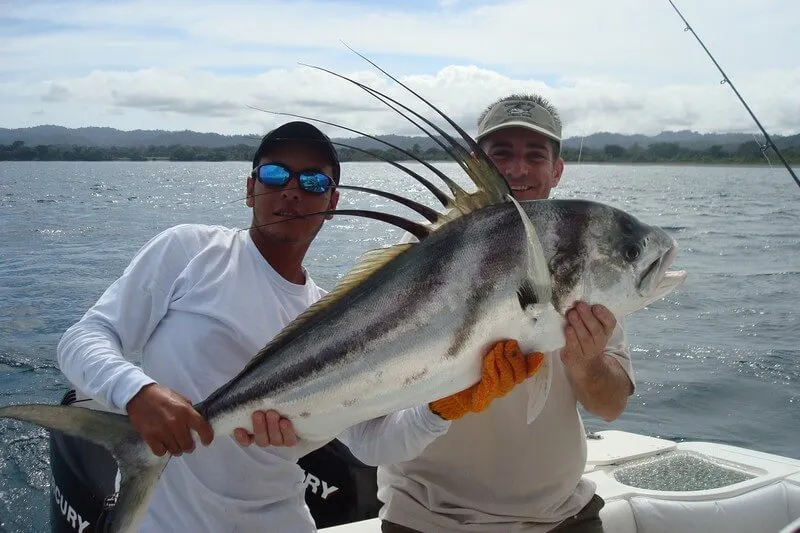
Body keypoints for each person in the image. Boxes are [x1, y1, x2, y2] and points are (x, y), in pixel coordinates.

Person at [56, 120, 537, 533]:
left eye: (311, 181)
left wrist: (446, 406)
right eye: (274, 173)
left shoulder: (336, 317)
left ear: (331, 201)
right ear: (250, 188)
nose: (290, 189)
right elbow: (83, 340)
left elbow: (372, 443)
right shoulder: (188, 252)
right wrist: (137, 393)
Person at [371, 95, 636, 533]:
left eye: (535, 155)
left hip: (561, 518)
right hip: (428, 521)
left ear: (557, 170)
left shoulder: (586, 270)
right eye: (501, 154)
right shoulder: (418, 261)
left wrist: (587, 360)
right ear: (477, 164)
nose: (518, 169)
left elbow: (610, 406)